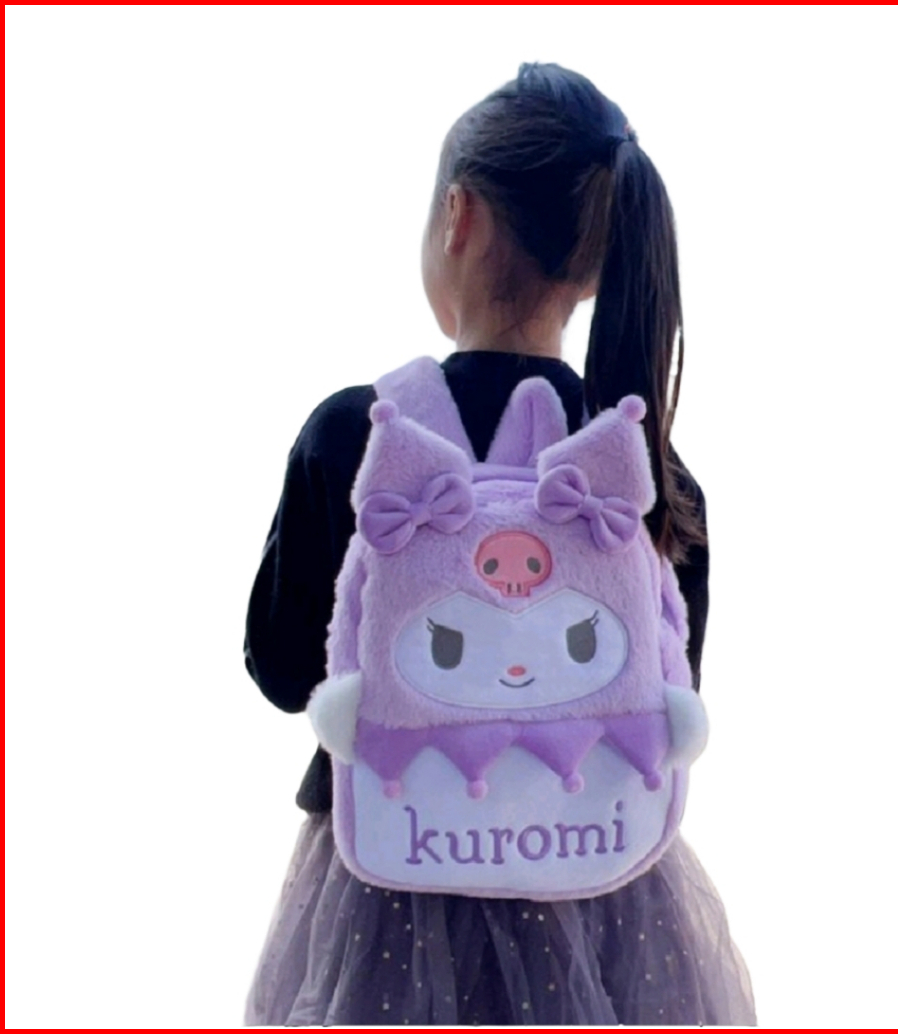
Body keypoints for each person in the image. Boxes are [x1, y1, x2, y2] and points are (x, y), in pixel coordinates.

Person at [243, 62, 756, 1027]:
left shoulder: (359, 436)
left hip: (385, 890)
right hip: (602, 893)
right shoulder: (650, 475)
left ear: (460, 215)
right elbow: (666, 698)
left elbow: (282, 670)